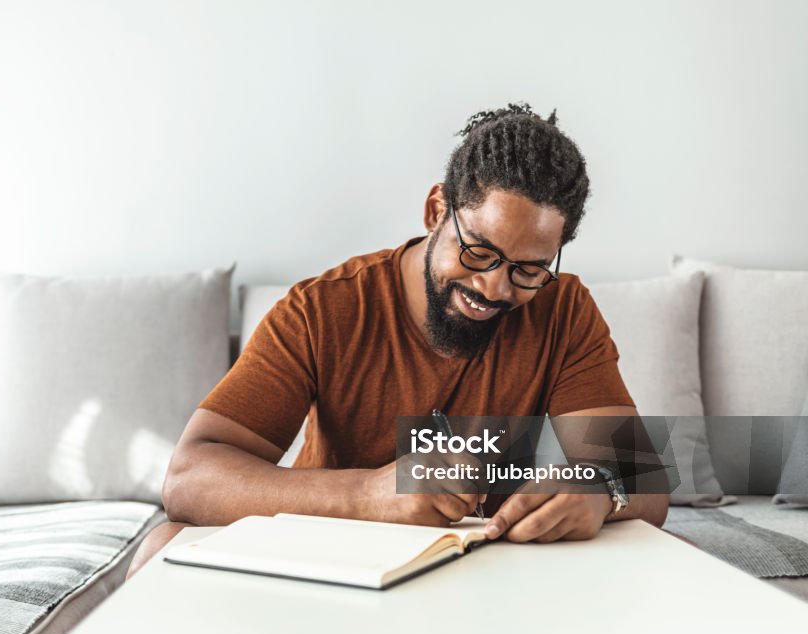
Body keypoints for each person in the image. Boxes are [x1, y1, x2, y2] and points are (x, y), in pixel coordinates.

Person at [126, 103, 668, 579]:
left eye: (528, 269)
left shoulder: (562, 308)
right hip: (334, 553)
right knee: (159, 548)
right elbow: (190, 477)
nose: (494, 287)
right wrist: (369, 495)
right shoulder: (323, 308)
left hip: (497, 563)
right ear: (437, 210)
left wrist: (603, 491)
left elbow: (643, 481)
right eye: (479, 251)